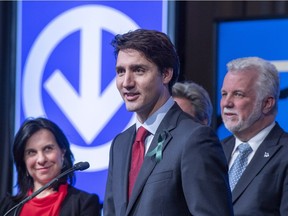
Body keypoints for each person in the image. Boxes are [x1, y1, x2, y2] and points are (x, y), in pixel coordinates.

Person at [103, 29, 233, 215]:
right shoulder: (120, 144)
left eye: (139, 70)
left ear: (166, 74)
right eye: (121, 71)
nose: (126, 82)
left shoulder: (195, 139)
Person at [220, 57, 288, 215]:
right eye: (224, 94)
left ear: (267, 104)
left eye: (238, 94)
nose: (226, 103)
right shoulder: (215, 151)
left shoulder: (284, 153)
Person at [0, 117, 101, 216]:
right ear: (23, 160)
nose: (41, 159)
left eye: (48, 149)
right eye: (31, 152)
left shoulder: (85, 204)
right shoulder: (8, 207)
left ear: (62, 152)